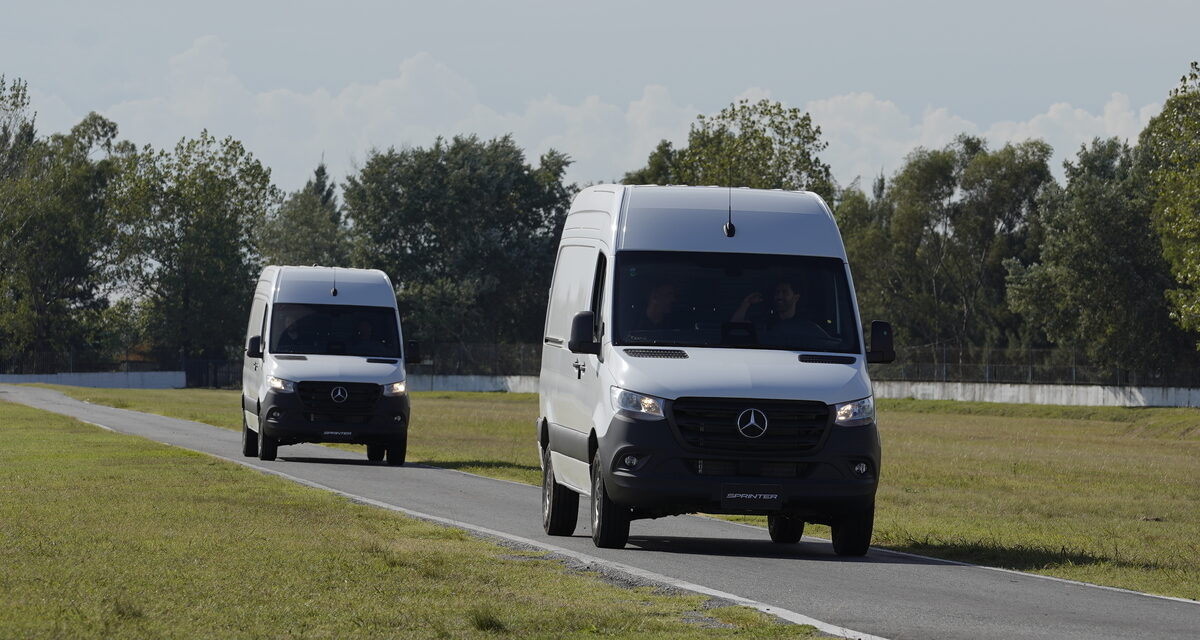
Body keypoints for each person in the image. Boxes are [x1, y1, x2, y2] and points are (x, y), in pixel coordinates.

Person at [732, 280, 829, 346]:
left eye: (784, 292)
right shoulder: (762, 322)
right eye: (777, 292)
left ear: (796, 297)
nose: (779, 296)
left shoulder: (806, 326)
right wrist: (746, 303)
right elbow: (733, 329)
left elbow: (828, 343)